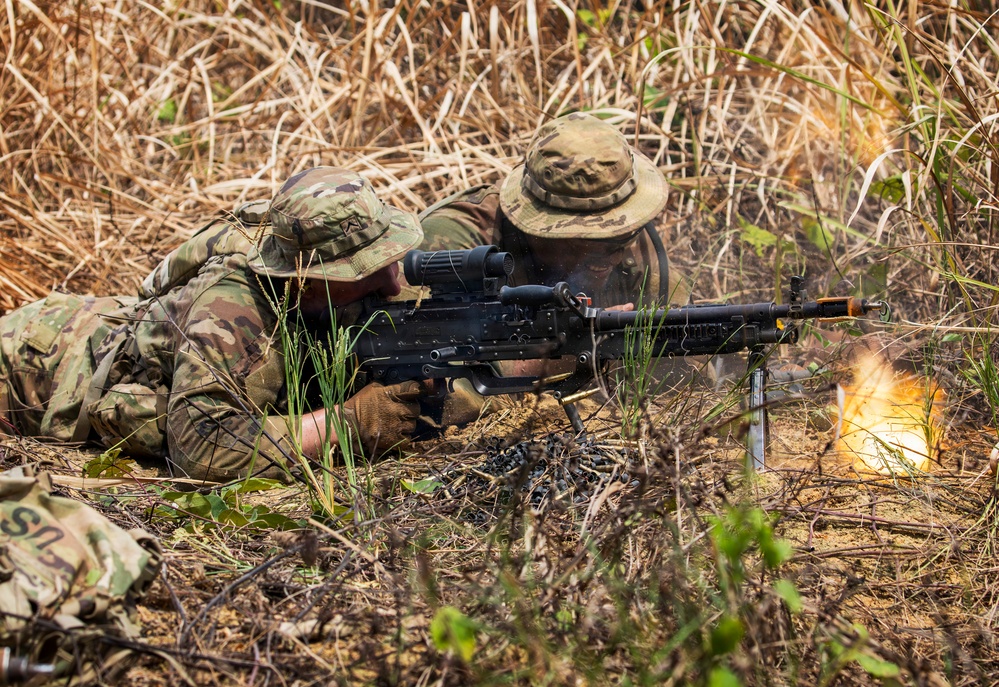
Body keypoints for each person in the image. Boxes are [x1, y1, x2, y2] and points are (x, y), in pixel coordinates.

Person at [0, 167, 427, 482]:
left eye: (388, 261)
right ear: (307, 282)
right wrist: (345, 422)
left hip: (92, 320)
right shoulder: (232, 310)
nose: (393, 285)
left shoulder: (320, 284)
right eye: (366, 272)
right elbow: (204, 447)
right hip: (32, 365)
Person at [419, 112, 689, 310]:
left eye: (623, 235)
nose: (615, 257)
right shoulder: (454, 244)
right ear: (540, 229)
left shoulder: (629, 247)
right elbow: (412, 376)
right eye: (594, 243)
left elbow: (690, 367)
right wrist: (567, 354)